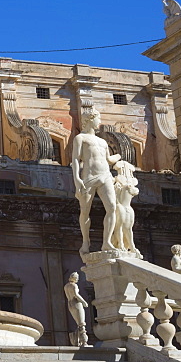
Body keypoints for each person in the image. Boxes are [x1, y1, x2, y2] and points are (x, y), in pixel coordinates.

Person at [71, 108, 120, 258]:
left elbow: (109, 160)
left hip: (105, 175)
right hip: (89, 177)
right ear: (90, 119)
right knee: (85, 210)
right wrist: (77, 179)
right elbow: (75, 159)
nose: (100, 121)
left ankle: (106, 242)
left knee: (112, 207)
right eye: (98, 118)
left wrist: (118, 156)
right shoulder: (80, 138)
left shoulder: (103, 142)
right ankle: (86, 242)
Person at [112, 158, 140, 254]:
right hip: (121, 206)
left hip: (127, 207)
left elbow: (135, 191)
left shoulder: (126, 182)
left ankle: (131, 246)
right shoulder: (118, 184)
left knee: (129, 228)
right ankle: (120, 244)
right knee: (119, 226)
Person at [64, 272, 89, 347]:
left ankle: (76, 341)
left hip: (70, 304)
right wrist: (84, 302)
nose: (78, 279)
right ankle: (84, 342)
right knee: (82, 323)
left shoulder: (66, 286)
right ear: (74, 278)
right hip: (76, 303)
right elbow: (76, 295)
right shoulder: (74, 285)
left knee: (78, 324)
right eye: (77, 277)